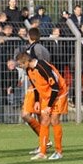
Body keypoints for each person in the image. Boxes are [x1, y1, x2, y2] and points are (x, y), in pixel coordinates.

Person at [16, 52, 67, 161]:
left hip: (59, 94)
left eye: (20, 64)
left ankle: (59, 152)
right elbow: (35, 86)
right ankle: (42, 152)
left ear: (26, 62)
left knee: (54, 120)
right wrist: (37, 101)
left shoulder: (42, 67)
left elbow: (55, 87)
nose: (19, 67)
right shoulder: (28, 70)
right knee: (44, 121)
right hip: (47, 95)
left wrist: (49, 106)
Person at [22, 27, 53, 155]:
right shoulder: (43, 48)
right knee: (40, 116)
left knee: (26, 114)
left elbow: (38, 66)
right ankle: (44, 143)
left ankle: (45, 142)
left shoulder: (34, 49)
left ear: (29, 36)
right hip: (41, 86)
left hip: (36, 86)